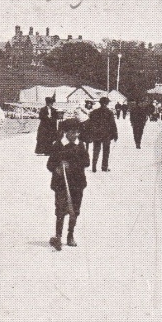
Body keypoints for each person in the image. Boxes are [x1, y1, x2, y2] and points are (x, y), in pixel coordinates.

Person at [46, 119, 89, 250]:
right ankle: (58, 236)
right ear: (66, 132)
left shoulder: (80, 145)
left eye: (77, 132)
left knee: (74, 210)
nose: (75, 135)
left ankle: (70, 235)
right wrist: (57, 168)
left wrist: (72, 165)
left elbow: (86, 162)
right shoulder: (58, 145)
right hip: (61, 184)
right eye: (72, 132)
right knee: (60, 209)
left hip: (77, 183)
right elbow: (50, 164)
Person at [85, 96, 118, 172]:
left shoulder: (94, 112)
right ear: (107, 103)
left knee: (96, 150)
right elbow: (113, 124)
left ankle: (94, 167)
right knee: (106, 151)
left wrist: (90, 133)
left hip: (96, 134)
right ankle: (104, 167)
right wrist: (115, 134)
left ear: (100, 103)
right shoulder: (109, 112)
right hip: (106, 135)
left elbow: (90, 124)